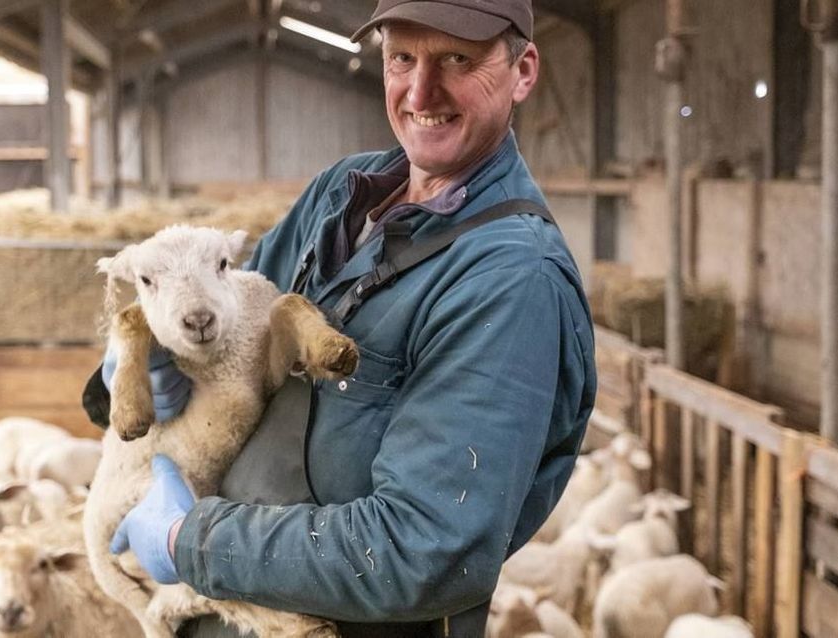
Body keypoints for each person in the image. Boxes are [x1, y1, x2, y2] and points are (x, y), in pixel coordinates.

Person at [83, 1, 597, 636]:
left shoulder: (510, 282)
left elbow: (423, 550)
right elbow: (237, 306)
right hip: (223, 613)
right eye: (401, 58)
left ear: (522, 70)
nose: (421, 90)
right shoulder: (341, 192)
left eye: (457, 59)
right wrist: (136, 364)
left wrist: (190, 538)